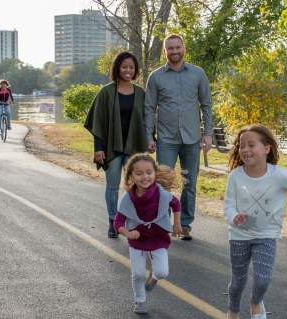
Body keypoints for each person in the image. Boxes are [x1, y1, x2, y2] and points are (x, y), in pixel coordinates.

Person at [223, 124, 287, 319]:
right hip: (239, 234)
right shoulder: (236, 176)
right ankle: (233, 310)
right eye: (242, 146)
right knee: (238, 282)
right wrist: (234, 217)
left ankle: (255, 302)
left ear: (267, 149)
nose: (245, 149)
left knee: (263, 280)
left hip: (267, 235)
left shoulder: (279, 175)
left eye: (251, 145)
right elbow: (228, 205)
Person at [144, 34, 214, 240]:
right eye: (170, 48)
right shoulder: (156, 77)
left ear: (183, 48)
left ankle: (184, 224)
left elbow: (206, 105)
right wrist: (150, 135)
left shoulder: (198, 74)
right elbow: (149, 108)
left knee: (189, 182)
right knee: (163, 183)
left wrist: (208, 134)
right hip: (166, 139)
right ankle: (163, 224)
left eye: (177, 47)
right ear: (165, 51)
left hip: (192, 139)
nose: (174, 51)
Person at [84, 51, 148, 238]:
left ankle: (134, 222)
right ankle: (113, 221)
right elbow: (97, 121)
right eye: (124, 67)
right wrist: (98, 148)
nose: (128, 70)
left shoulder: (140, 93)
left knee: (137, 187)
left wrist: (151, 139)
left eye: (131, 67)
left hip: (134, 147)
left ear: (135, 69)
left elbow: (146, 120)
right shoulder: (106, 92)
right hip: (111, 147)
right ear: (117, 68)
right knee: (112, 186)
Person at [113, 153, 182, 314]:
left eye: (149, 172)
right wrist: (128, 234)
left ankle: (154, 277)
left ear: (155, 173)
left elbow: (176, 203)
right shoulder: (127, 199)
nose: (145, 177)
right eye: (139, 173)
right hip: (137, 242)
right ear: (131, 175)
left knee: (162, 272)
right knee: (137, 274)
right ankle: (140, 300)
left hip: (158, 239)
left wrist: (177, 224)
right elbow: (118, 222)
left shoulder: (162, 194)